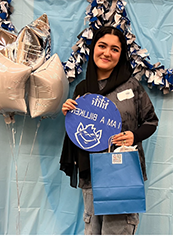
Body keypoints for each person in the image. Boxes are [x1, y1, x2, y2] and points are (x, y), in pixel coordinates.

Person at [60, 26, 158, 235]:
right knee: (92, 231)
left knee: (118, 231)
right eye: (102, 45)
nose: (106, 53)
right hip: (92, 174)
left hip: (124, 174)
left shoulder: (132, 87)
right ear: (93, 47)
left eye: (114, 49)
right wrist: (69, 113)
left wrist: (135, 135)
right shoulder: (82, 89)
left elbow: (151, 121)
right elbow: (77, 133)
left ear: (121, 55)